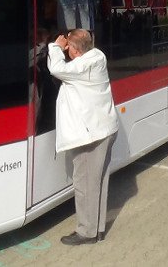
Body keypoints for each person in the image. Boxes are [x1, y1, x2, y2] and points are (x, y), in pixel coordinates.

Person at [47, 29, 119, 245]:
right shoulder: (96, 56)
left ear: (76, 51)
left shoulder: (82, 65)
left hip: (91, 136)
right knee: (97, 182)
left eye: (69, 47)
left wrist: (55, 47)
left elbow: (56, 69)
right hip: (102, 130)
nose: (66, 50)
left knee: (85, 183)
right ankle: (96, 229)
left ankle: (86, 232)